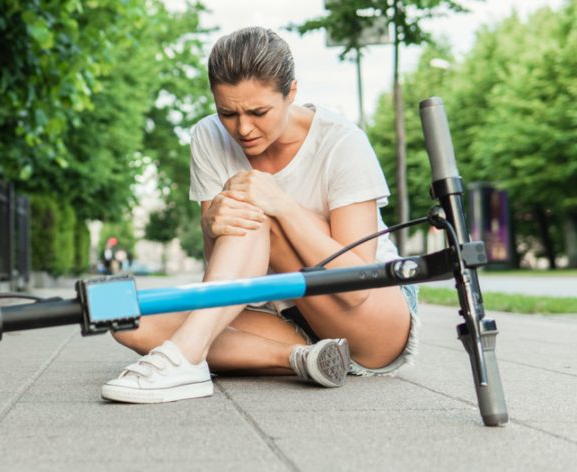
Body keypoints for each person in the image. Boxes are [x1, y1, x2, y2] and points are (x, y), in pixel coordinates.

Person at [101, 26, 419, 404]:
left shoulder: (341, 142)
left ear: (292, 93)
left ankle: (186, 358)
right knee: (120, 316)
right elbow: (219, 274)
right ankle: (301, 359)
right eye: (227, 113)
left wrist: (281, 206)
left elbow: (356, 287)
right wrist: (210, 224)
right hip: (279, 314)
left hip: (370, 312)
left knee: (253, 210)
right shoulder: (208, 136)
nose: (243, 128)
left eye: (259, 111)